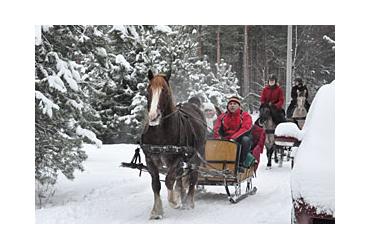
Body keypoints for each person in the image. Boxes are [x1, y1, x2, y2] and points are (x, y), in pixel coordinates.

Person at [213, 96, 253, 167]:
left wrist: (234, 138)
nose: (232, 105)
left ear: (239, 106)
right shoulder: (222, 116)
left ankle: (240, 163)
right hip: (225, 138)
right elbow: (217, 127)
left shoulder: (245, 116)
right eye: (230, 104)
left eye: (235, 104)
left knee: (245, 140)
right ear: (228, 106)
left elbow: (245, 128)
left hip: (239, 139)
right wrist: (218, 136)